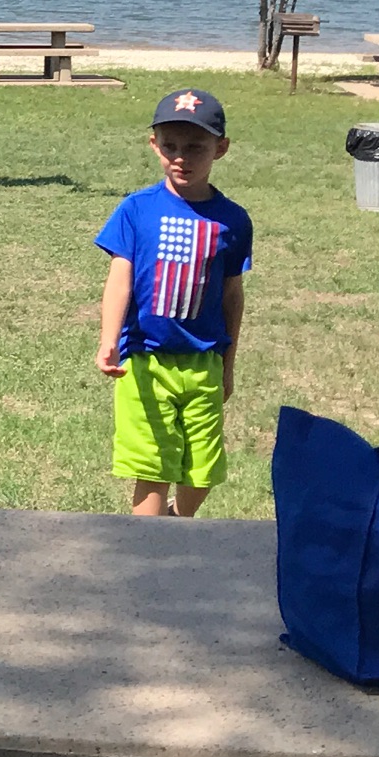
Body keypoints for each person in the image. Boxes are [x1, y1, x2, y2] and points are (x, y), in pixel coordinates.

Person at [94, 86, 250, 519]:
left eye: (196, 147)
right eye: (170, 146)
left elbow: (232, 295)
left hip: (204, 362)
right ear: (154, 144)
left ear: (220, 149)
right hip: (145, 361)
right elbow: (120, 279)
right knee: (152, 468)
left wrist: (228, 365)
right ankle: (148, 548)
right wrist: (109, 340)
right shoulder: (136, 209)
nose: (181, 157)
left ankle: (178, 523)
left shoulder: (233, 219)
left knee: (202, 471)